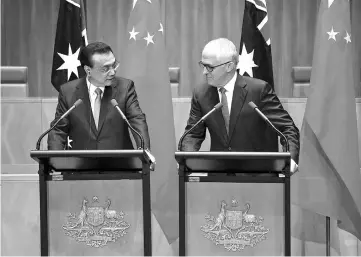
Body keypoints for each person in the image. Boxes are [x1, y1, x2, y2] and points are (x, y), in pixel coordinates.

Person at [179, 38, 300, 169]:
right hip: (219, 175)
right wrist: (187, 159)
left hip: (260, 175)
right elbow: (192, 134)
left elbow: (287, 129)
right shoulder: (201, 93)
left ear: (229, 66)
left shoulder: (259, 90)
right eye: (203, 65)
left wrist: (290, 159)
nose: (204, 72)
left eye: (210, 67)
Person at [47, 42, 150, 151]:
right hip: (80, 163)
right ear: (88, 70)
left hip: (118, 164)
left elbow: (137, 120)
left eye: (114, 65)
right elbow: (58, 130)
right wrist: (54, 161)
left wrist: (144, 152)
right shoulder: (68, 92)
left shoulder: (125, 87)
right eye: (105, 69)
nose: (112, 72)